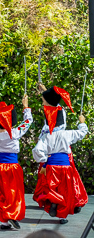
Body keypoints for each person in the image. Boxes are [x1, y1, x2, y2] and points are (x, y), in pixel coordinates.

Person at [32, 86, 88, 224]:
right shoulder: (67, 133)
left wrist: (44, 161)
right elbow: (81, 133)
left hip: (51, 164)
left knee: (52, 187)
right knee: (65, 190)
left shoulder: (46, 135)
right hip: (65, 166)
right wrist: (82, 123)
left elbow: (37, 150)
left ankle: (54, 203)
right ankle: (63, 216)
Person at [0, 96, 32, 230]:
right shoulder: (15, 132)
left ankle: (4, 222)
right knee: (14, 193)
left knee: (0, 193)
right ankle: (12, 215)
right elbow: (28, 121)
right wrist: (26, 107)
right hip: (12, 167)